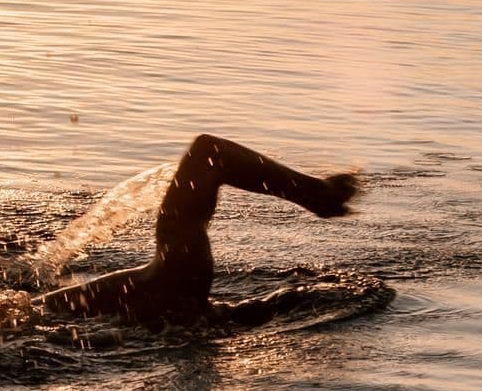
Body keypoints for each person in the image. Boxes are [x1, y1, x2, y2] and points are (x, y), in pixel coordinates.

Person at [35, 134, 360, 329]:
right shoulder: (174, 285)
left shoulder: (165, 288)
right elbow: (209, 153)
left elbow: (210, 154)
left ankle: (315, 194)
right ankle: (316, 194)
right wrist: (315, 194)